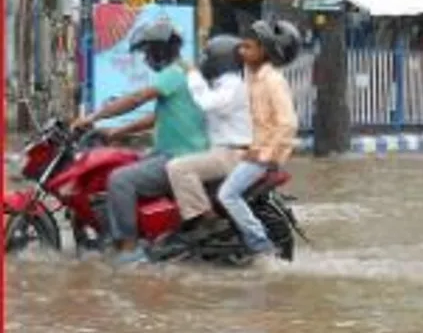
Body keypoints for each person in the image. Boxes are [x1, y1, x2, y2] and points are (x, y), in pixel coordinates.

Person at [72, 21, 210, 263]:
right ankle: (146, 234)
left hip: (179, 156)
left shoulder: (174, 73)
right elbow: (156, 118)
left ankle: (129, 248)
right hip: (172, 153)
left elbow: (137, 98)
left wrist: (94, 116)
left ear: (159, 50)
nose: (146, 58)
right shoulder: (185, 72)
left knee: (120, 180)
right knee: (122, 165)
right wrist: (117, 132)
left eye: (148, 51)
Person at [216, 19, 300, 261]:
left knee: (227, 195)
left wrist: (264, 154)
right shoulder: (252, 76)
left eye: (248, 47)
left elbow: (288, 123)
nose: (242, 51)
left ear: (264, 51)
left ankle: (259, 244)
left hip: (263, 157)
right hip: (251, 148)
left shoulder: (273, 80)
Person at [164, 34, 253, 241]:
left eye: (207, 56)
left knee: (178, 168)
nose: (204, 61)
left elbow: (207, 103)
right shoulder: (223, 83)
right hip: (225, 150)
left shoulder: (232, 84)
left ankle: (207, 220)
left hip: (232, 153)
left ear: (219, 59)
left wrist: (193, 74)